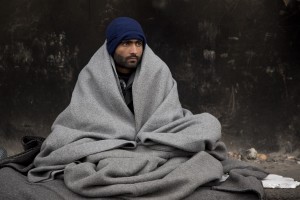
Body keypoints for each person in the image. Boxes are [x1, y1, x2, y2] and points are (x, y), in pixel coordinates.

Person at [0, 17, 267, 200]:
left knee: (206, 124)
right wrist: (119, 134)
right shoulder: (92, 75)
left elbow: (169, 113)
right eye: (126, 43)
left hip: (153, 135)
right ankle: (133, 156)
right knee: (64, 141)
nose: (134, 50)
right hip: (107, 140)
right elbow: (82, 116)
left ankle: (140, 155)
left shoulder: (157, 70)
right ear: (112, 45)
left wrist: (147, 133)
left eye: (138, 44)